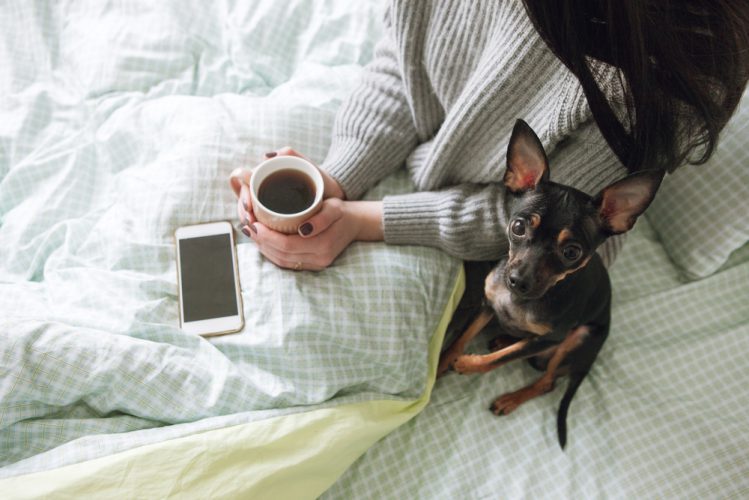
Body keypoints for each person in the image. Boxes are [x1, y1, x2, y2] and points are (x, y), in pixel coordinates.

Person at [230, 0, 749, 273]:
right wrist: (336, 178)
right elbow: (409, 54)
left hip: (519, 258)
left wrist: (362, 222)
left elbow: (551, 222)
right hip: (430, 183)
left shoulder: (675, 67)